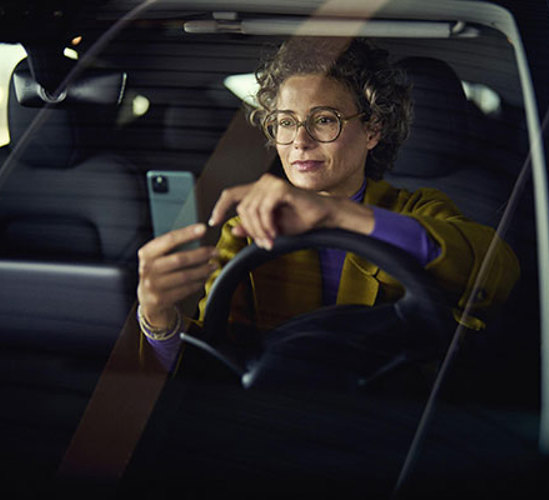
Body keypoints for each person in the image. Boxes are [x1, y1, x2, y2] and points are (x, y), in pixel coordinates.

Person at [136, 37, 520, 371]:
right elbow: (206, 365)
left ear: (372, 130)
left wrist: (339, 214)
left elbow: (494, 271)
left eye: (324, 120)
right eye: (285, 122)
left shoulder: (415, 210)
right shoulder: (247, 229)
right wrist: (157, 318)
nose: (299, 141)